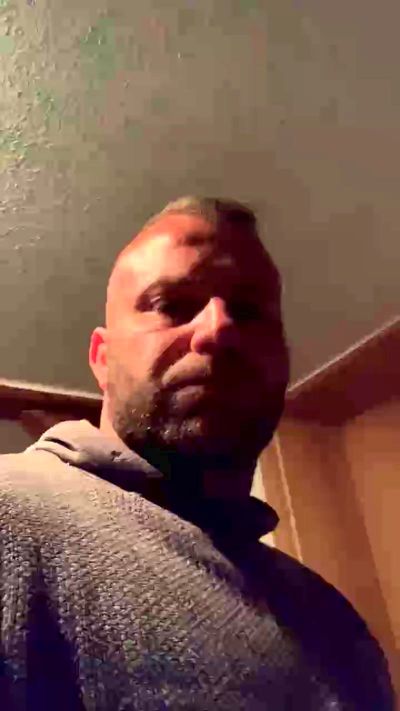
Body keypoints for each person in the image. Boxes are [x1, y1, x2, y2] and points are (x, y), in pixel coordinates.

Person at [0, 197, 394, 710]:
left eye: (249, 313)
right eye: (171, 304)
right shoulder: (9, 509)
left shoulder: (336, 622)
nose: (219, 328)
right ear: (102, 359)